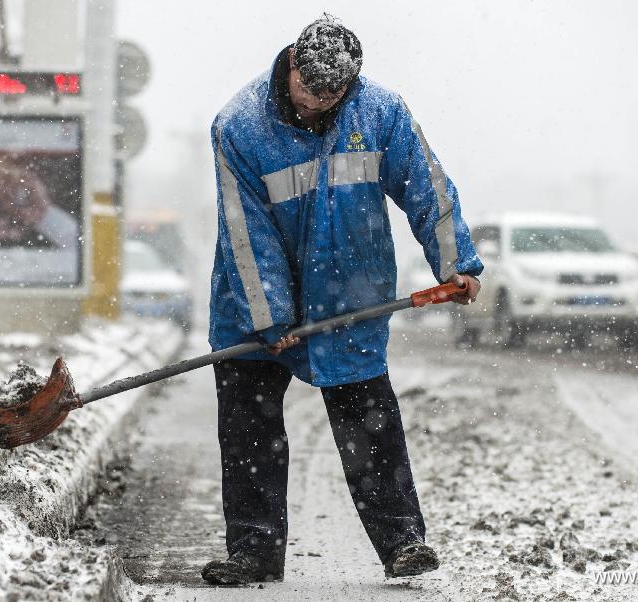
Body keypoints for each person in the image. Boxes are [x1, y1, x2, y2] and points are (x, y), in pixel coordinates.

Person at [203, 15, 483, 586]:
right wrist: (270, 317)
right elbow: (245, 229)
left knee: (368, 420)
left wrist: (455, 264)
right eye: (310, 89)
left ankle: (404, 542)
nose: (317, 104)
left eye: (333, 94)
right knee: (249, 428)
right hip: (253, 301)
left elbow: (427, 186)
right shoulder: (239, 125)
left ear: (351, 84)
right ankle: (254, 552)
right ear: (293, 67)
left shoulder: (380, 112)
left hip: (348, 295)